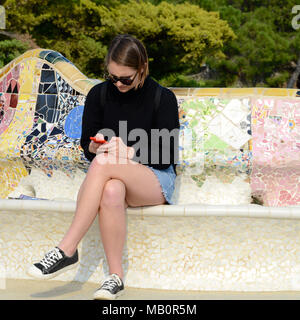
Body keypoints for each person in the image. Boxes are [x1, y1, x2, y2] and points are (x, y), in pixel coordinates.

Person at [27, 34, 180, 300]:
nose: (118, 83)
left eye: (126, 79)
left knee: (105, 163)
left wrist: (131, 152)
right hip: (112, 174)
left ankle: (67, 249)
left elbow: (166, 154)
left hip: (155, 179)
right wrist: (94, 147)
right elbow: (87, 143)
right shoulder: (99, 94)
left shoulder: (162, 97)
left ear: (141, 69)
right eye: (113, 77)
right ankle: (115, 277)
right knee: (110, 191)